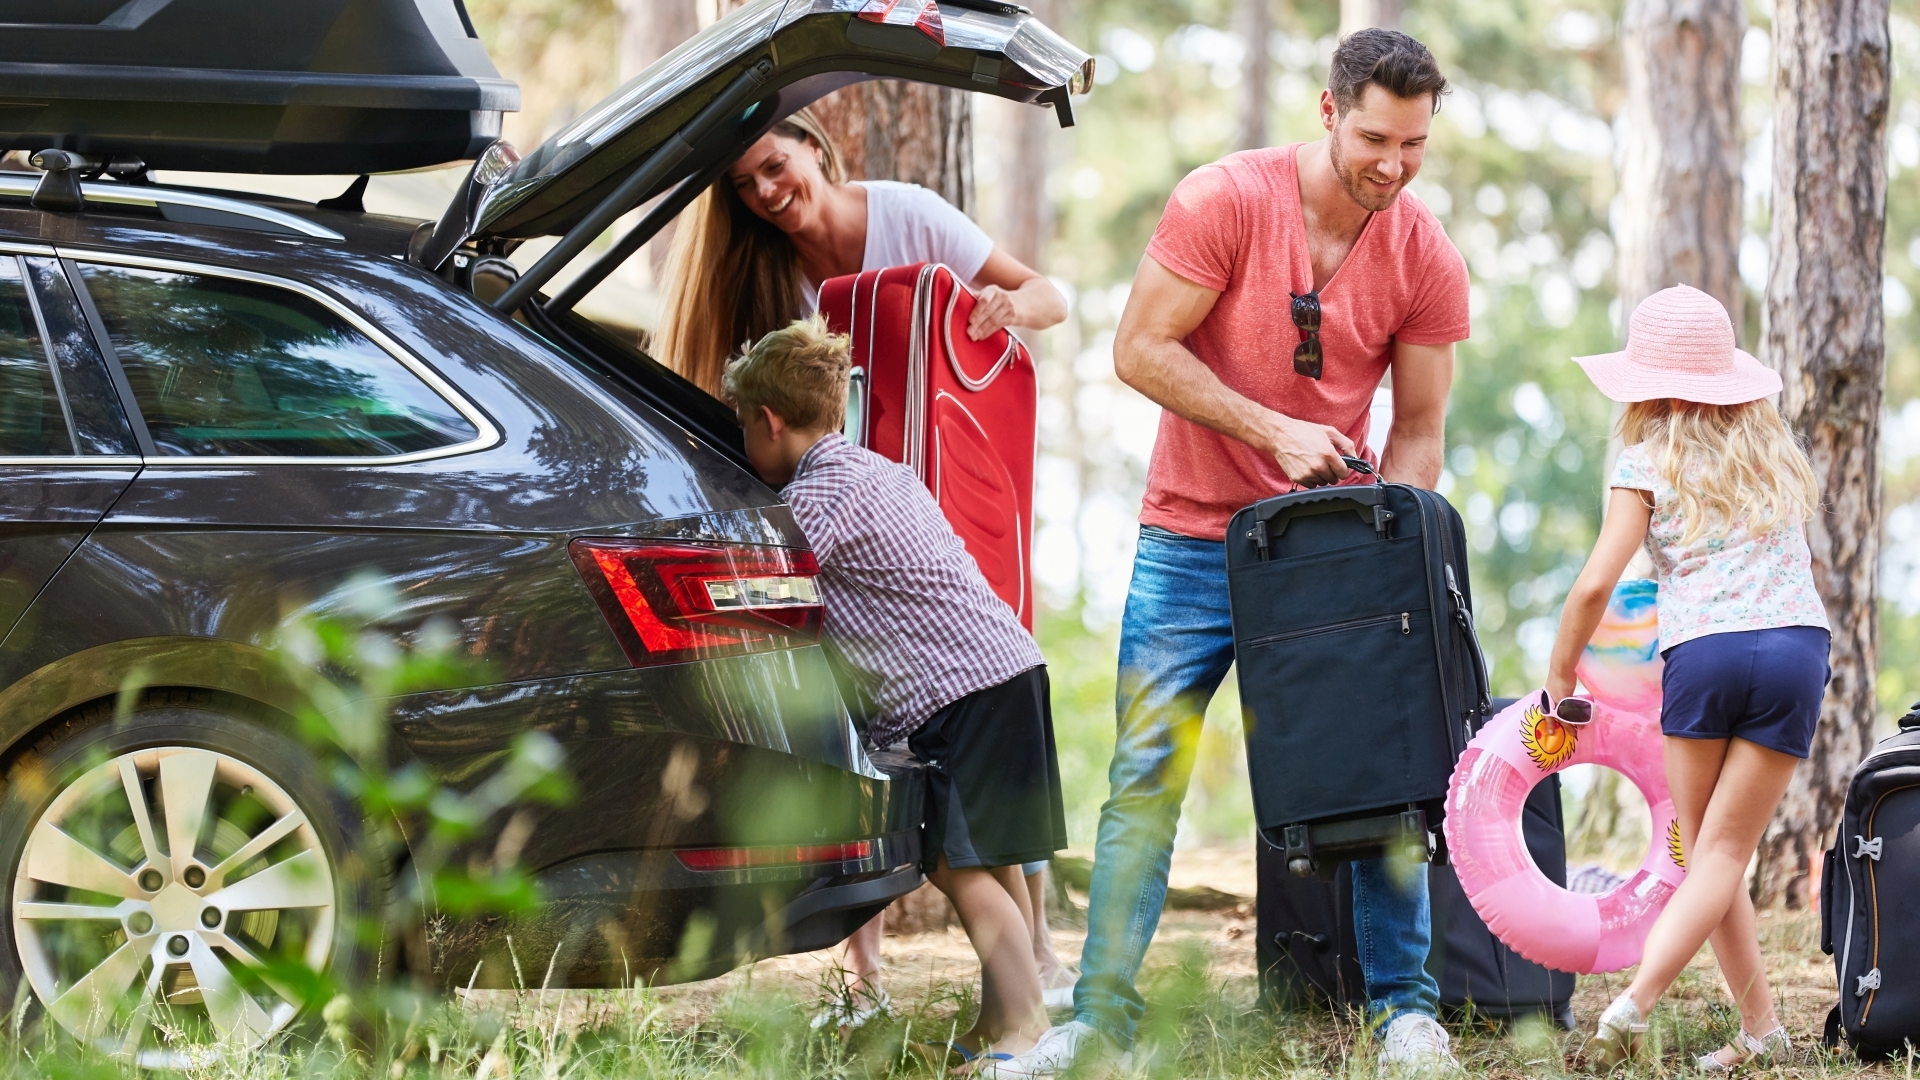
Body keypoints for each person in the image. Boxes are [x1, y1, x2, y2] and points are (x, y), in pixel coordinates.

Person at [1004, 28, 1471, 1077]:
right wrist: (1273, 430)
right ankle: (1101, 1022)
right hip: (1190, 538)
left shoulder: (1425, 254)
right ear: (1326, 110)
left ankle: (1406, 1015)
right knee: (1145, 777)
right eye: (1375, 138)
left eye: (1414, 145)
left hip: (1327, 557)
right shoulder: (1223, 200)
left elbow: (1425, 424)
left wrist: (1384, 539)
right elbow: (1138, 350)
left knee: (1380, 776)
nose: (1392, 165)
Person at [724, 315, 1070, 1068]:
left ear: (770, 422)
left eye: (744, 428)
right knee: (995, 858)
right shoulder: (881, 471)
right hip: (1009, 670)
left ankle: (1029, 1035)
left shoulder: (814, 503)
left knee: (957, 865)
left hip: (958, 695)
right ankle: (999, 1017)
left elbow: (755, 590)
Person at [1544, 285, 1828, 1071]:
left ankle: (1634, 1005)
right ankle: (1763, 1029)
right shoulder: (1772, 454)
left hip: (1704, 653)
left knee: (1711, 852)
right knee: (1722, 856)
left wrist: (1559, 674)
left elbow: (1597, 584)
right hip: (1797, 650)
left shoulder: (1646, 460)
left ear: (1647, 385)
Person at [657, 107, 1066, 397]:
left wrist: (1008, 305)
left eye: (775, 166)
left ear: (814, 147)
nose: (764, 191)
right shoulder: (753, 270)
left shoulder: (911, 215)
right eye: (745, 184)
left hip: (929, 450)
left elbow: (1050, 299)